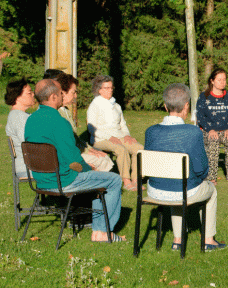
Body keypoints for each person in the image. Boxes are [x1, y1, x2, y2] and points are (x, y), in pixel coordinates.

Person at [25, 79, 124, 242]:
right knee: (113, 180)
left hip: (41, 180)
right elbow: (73, 160)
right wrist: (90, 169)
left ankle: (98, 227)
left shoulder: (31, 120)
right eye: (60, 93)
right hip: (64, 180)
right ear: (53, 97)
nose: (62, 96)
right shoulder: (59, 122)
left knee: (99, 178)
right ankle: (102, 232)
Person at [144, 83, 227, 250]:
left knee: (178, 185)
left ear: (165, 106)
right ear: (187, 106)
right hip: (181, 190)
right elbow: (202, 169)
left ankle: (178, 240)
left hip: (154, 190)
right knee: (210, 191)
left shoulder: (150, 131)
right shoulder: (193, 132)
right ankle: (208, 240)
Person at [87, 75, 144, 190]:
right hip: (100, 139)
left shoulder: (116, 106)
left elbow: (122, 124)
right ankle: (126, 180)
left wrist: (127, 136)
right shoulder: (94, 106)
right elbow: (91, 129)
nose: (110, 90)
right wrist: (109, 137)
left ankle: (136, 180)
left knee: (139, 148)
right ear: (99, 90)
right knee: (120, 149)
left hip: (119, 137)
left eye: (111, 87)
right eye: (106, 88)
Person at [196, 68, 228, 184]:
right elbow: (200, 117)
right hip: (208, 130)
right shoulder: (203, 97)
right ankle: (211, 177)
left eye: (224, 79)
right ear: (212, 81)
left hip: (225, 130)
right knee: (213, 142)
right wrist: (210, 130)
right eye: (219, 80)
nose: (222, 82)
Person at [56, 74, 115, 172]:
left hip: (76, 151)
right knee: (101, 160)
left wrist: (91, 150)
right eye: (73, 92)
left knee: (103, 157)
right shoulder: (58, 114)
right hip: (70, 156)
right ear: (63, 93)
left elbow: (76, 138)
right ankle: (97, 184)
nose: (75, 95)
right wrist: (89, 152)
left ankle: (99, 183)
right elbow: (67, 143)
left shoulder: (66, 111)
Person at [5, 79, 36, 179]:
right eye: (29, 92)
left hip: (34, 165)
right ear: (17, 97)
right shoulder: (18, 117)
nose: (33, 94)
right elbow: (29, 143)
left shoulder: (21, 115)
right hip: (29, 168)